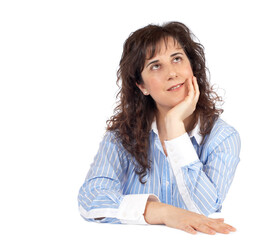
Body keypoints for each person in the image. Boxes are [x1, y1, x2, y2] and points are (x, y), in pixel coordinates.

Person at [78, 21, 241, 235]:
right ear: (142, 85)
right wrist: (163, 212)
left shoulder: (223, 137)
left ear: (192, 67)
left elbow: (203, 212)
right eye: (155, 65)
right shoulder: (120, 136)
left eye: (177, 59)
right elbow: (90, 200)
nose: (172, 73)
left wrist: (175, 129)